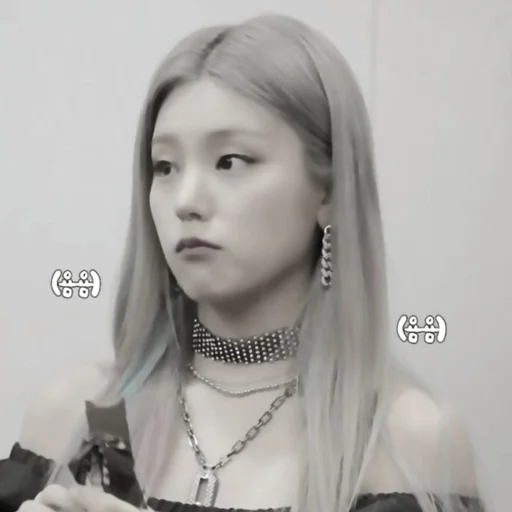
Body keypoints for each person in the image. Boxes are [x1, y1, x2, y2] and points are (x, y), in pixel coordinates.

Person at [0, 12, 486, 512]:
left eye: (230, 161)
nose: (185, 200)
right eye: (165, 166)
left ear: (330, 190)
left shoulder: (404, 443)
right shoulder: (90, 419)